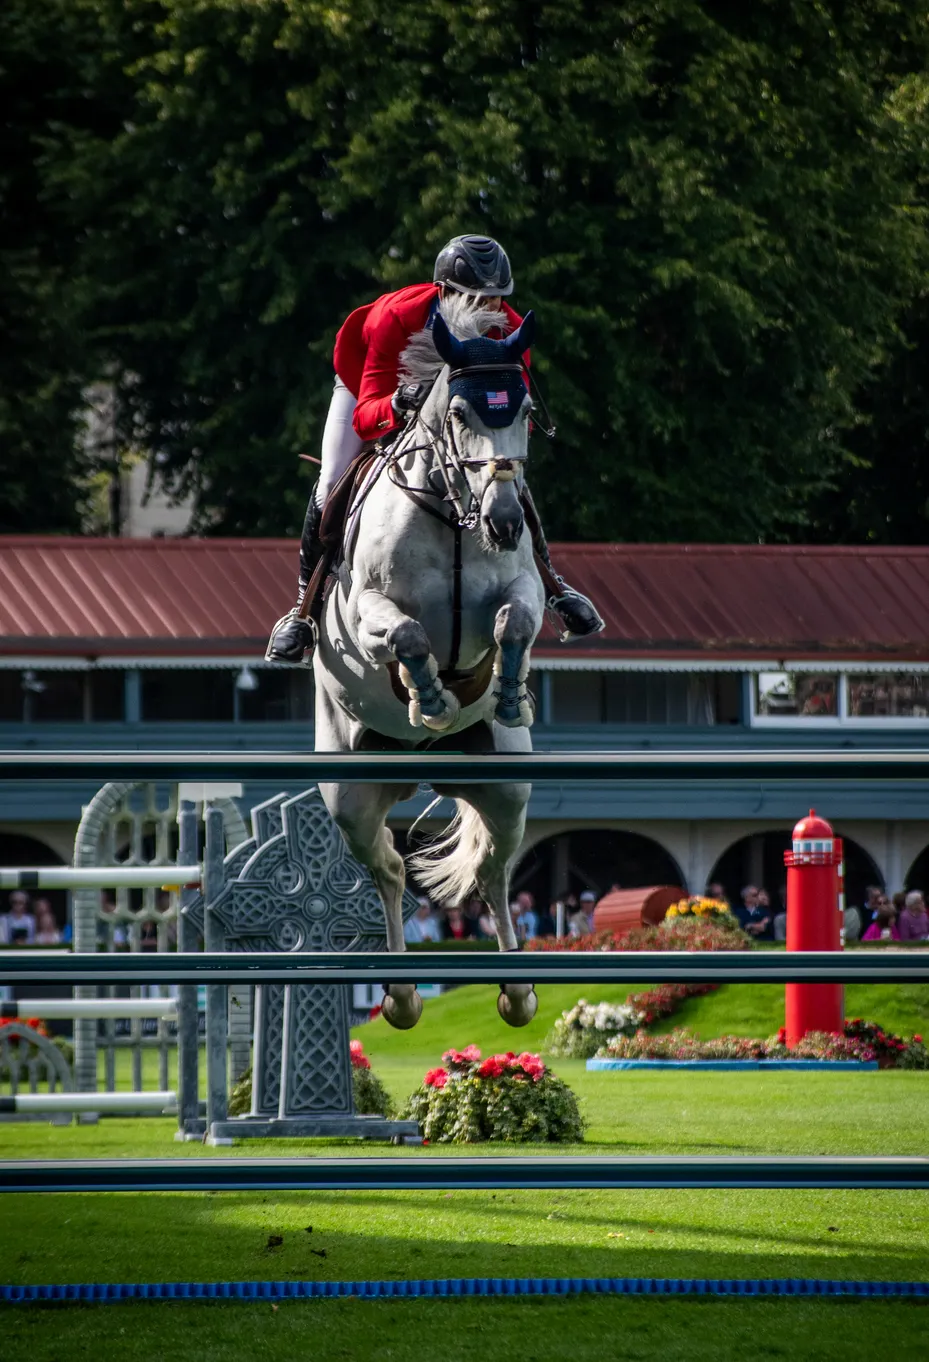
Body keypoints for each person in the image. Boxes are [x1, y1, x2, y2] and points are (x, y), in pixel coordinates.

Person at [266, 233, 603, 663]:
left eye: (496, 298)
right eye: (473, 297)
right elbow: (366, 415)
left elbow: (513, 412)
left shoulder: (511, 330)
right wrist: (396, 403)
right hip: (370, 383)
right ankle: (304, 608)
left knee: (504, 475)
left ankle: (552, 584)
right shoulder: (399, 316)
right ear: (444, 291)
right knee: (331, 477)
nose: (488, 309)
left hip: (461, 404)